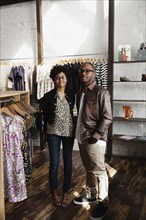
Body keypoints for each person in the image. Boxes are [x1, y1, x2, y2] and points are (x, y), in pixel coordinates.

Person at [73, 62, 112, 220]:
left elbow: (107, 117)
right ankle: (91, 195)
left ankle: (103, 202)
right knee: (88, 168)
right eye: (82, 71)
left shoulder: (101, 92)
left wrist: (96, 135)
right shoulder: (80, 92)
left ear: (94, 73)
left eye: (87, 71)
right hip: (82, 137)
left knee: (99, 170)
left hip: (95, 138)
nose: (84, 74)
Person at [41, 65, 75, 207]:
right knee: (54, 163)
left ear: (66, 79)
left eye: (63, 77)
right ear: (54, 80)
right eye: (57, 77)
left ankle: (66, 192)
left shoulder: (72, 94)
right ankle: (54, 192)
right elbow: (44, 117)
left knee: (68, 163)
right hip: (53, 133)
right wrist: (45, 136)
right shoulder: (48, 96)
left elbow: (75, 113)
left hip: (68, 134)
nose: (60, 79)